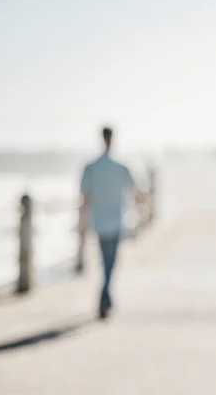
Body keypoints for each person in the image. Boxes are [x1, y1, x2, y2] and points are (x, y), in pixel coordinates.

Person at [78, 127, 142, 319]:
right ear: (112, 140)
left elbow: (84, 199)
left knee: (105, 262)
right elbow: (136, 193)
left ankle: (105, 298)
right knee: (110, 263)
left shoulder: (91, 167)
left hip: (98, 222)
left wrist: (82, 227)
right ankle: (105, 299)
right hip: (114, 223)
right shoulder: (120, 167)